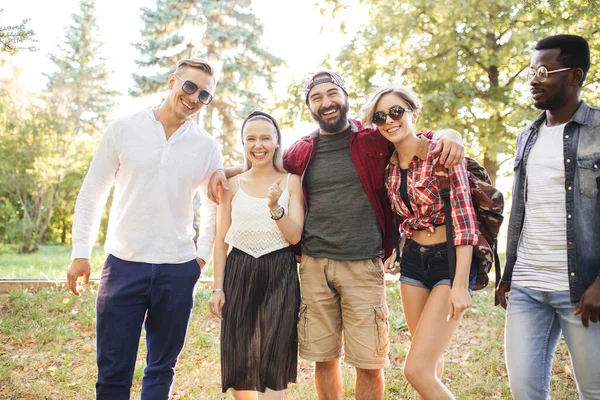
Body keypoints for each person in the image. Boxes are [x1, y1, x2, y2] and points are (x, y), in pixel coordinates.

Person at [210, 71, 466, 400]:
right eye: (316, 97)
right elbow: (263, 165)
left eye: (332, 94)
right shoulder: (302, 151)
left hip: (363, 265)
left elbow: (412, 137)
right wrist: (226, 171)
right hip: (316, 267)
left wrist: (449, 133)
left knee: (370, 364)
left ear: (345, 97)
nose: (326, 102)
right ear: (309, 107)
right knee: (324, 359)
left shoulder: (373, 140)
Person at [66, 58, 224, 400]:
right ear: (172, 82)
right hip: (123, 265)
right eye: (190, 87)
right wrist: (81, 252)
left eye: (205, 95)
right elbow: (93, 190)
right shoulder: (124, 128)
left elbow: (213, 208)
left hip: (177, 269)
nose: (195, 97)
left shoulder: (207, 146)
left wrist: (199, 261)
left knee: (161, 369)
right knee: (112, 371)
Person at [498, 34, 600, 399]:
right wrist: (508, 274)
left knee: (594, 390)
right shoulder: (527, 135)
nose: (533, 79)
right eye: (530, 70)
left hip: (583, 290)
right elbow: (524, 208)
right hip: (526, 287)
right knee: (525, 392)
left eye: (543, 70)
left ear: (574, 76)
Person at [361, 84, 478, 399]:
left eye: (396, 111)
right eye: (380, 116)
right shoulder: (388, 168)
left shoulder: (442, 153)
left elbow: (466, 223)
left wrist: (460, 283)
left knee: (415, 370)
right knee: (430, 358)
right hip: (413, 262)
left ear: (413, 113)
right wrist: (397, 248)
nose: (389, 120)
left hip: (448, 262)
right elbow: (407, 216)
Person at [208, 111, 304, 399]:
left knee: (275, 359)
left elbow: (295, 236)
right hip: (239, 270)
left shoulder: (291, 182)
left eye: (265, 137)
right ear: (243, 143)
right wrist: (217, 287)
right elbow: (220, 242)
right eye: (251, 138)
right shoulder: (232, 185)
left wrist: (276, 208)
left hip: (280, 273)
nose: (258, 144)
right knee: (240, 358)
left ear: (276, 142)